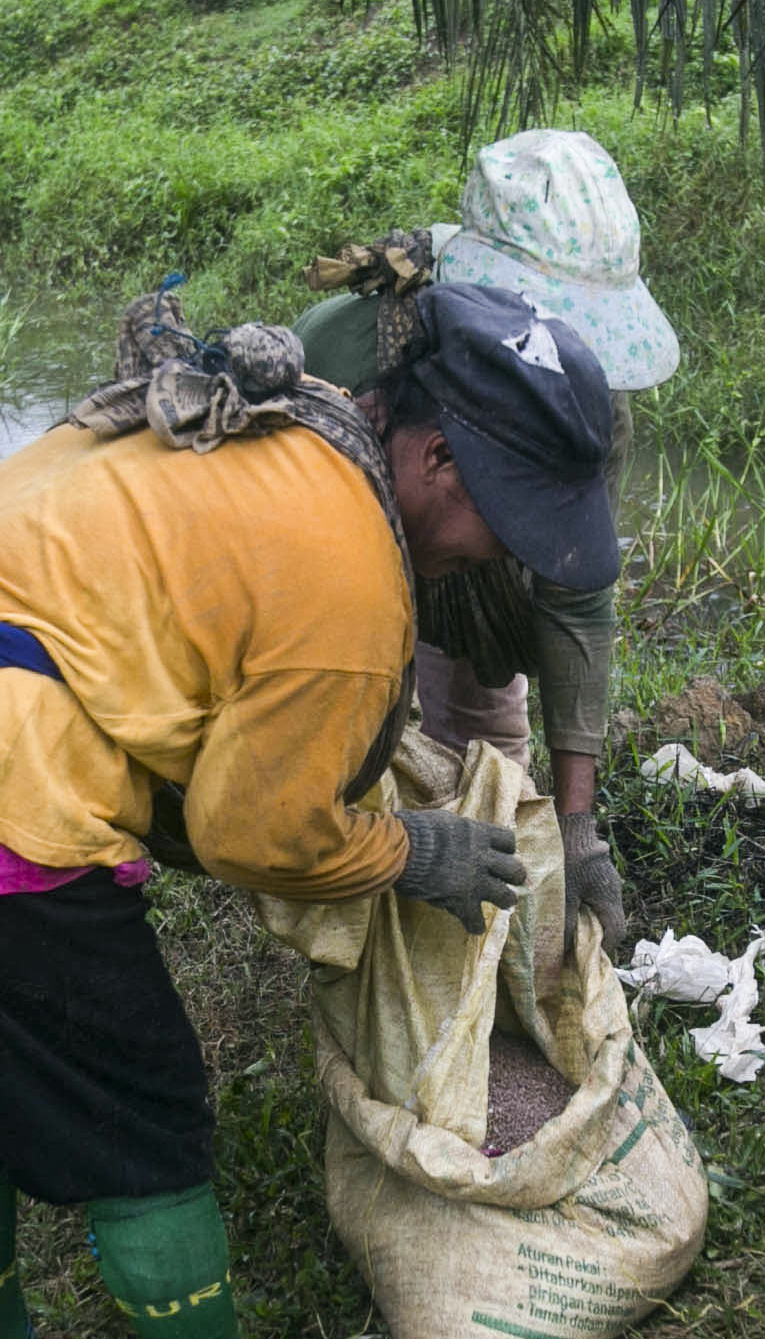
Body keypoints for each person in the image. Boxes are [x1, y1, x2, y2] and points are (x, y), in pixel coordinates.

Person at [0, 286, 622, 1339]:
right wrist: (410, 850)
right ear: (430, 458)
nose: (503, 553)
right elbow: (254, 833)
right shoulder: (352, 586)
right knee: (148, 1121)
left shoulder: (277, 425)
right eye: (508, 519)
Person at [288, 128, 681, 957]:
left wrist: (575, 829)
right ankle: (366, 923)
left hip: (461, 567)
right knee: (346, 760)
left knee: (483, 773)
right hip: (330, 582)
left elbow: (578, 604)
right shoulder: (345, 351)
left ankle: (490, 914)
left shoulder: (587, 414)